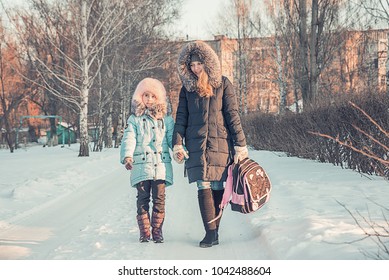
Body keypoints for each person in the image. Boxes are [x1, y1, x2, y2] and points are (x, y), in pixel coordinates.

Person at [172, 40, 249, 248]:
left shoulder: (223, 84)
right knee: (202, 185)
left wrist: (240, 145)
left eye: (199, 64)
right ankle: (210, 233)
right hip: (196, 144)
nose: (196, 69)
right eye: (192, 65)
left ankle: (214, 232)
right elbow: (181, 118)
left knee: (216, 185)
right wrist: (177, 143)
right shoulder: (187, 89)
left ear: (207, 63)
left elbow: (233, 116)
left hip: (219, 143)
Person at [120, 77, 174, 243]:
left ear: (158, 98)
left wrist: (180, 150)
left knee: (159, 199)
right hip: (141, 166)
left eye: (153, 96)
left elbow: (173, 139)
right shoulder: (134, 119)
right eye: (146, 95)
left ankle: (157, 231)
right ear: (140, 97)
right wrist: (127, 156)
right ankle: (145, 232)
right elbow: (129, 138)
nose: (149, 99)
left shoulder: (167, 120)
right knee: (143, 199)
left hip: (161, 166)